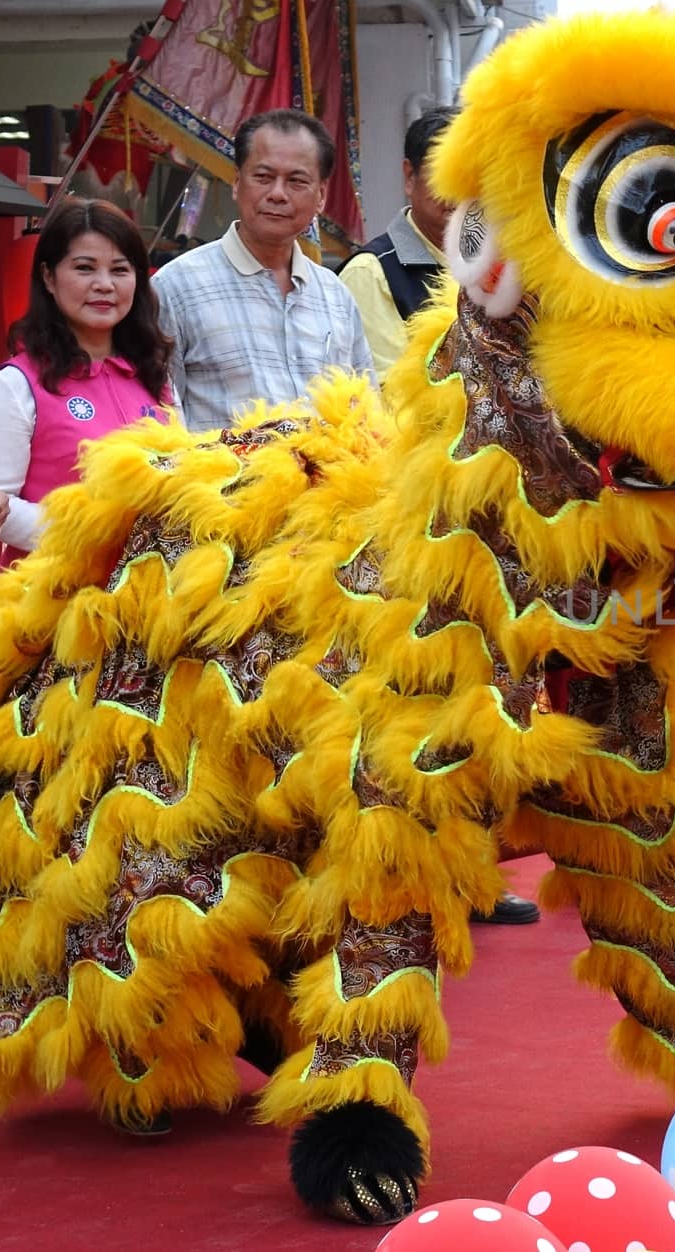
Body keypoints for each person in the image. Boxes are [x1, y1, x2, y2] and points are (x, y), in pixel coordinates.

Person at [339, 105, 538, 928]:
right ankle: (407, 880)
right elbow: (397, 391)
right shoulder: (370, 272)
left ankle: (479, 872)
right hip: (415, 522)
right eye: (446, 179)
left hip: (504, 511)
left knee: (494, 694)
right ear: (410, 180)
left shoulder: (514, 264)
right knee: (417, 700)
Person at [152, 109, 373, 433]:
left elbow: (366, 410)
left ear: (321, 196)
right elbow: (159, 419)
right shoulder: (175, 288)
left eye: (296, 181)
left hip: (331, 482)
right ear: (237, 183)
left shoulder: (335, 294)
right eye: (264, 177)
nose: (278, 194)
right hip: (221, 482)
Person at [0, 198, 173, 570]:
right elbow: (0, 509)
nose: (104, 285)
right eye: (84, 268)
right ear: (48, 277)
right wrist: (99, 534)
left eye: (119, 269)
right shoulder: (15, 385)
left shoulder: (155, 377)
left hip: (150, 605)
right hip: (49, 604)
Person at [339, 106, 456, 378]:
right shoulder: (371, 273)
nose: (457, 191)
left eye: (471, 176)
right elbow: (390, 395)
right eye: (443, 173)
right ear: (409, 176)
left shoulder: (501, 266)